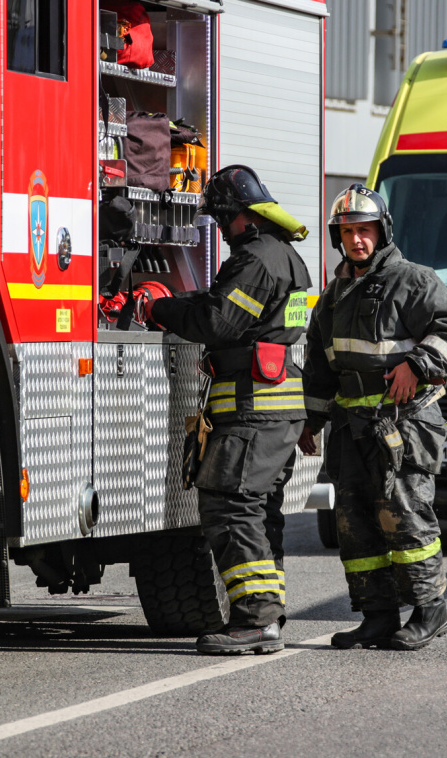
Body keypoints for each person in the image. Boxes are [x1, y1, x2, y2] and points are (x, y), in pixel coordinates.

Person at [300, 185, 447, 651]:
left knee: (405, 516)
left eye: (365, 230)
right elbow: (319, 362)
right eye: (348, 232)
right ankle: (377, 616)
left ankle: (430, 611)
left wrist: (417, 364)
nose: (357, 239)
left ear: (382, 232)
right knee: (354, 523)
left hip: (403, 423)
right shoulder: (334, 295)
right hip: (351, 427)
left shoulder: (413, 280)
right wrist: (311, 420)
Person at [145, 165, 312, 655]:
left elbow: (218, 320)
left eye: (222, 220)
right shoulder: (286, 255)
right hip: (275, 409)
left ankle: (255, 619)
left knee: (231, 505)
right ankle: (267, 615)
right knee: (260, 512)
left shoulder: (256, 259)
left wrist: (159, 309)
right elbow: (230, 309)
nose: (221, 230)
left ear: (243, 215)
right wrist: (181, 302)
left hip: (253, 411)